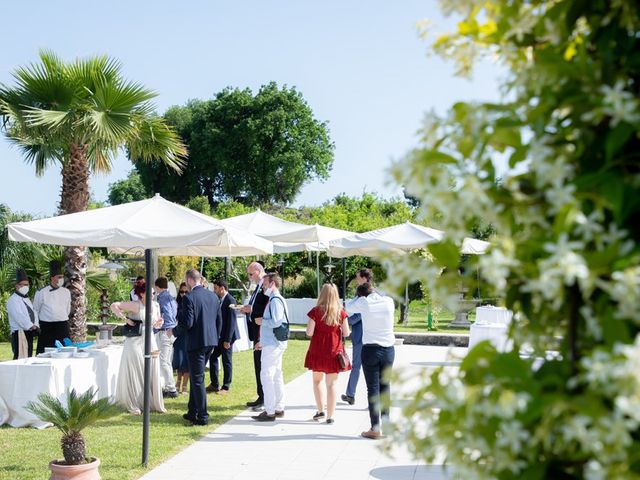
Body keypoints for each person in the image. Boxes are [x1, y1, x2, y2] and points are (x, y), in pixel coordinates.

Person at [345, 282, 395, 439]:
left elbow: (347, 307)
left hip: (371, 349)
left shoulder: (364, 302)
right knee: (385, 388)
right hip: (388, 350)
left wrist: (358, 297)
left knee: (372, 389)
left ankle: (375, 428)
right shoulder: (388, 301)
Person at [110, 279, 166, 414]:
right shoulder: (135, 305)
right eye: (150, 293)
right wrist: (126, 319)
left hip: (150, 339)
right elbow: (114, 305)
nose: (152, 295)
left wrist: (160, 322)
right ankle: (134, 403)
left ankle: (152, 402)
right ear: (141, 294)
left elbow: (157, 325)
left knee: (151, 368)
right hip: (135, 341)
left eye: (153, 293)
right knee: (136, 369)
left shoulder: (156, 305)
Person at [177, 269, 222, 426]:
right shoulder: (213, 296)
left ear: (189, 280)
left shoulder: (189, 298)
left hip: (196, 343)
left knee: (197, 380)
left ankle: (202, 415)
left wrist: (178, 319)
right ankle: (192, 411)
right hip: (210, 341)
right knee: (197, 377)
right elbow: (219, 321)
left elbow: (187, 322)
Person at [304, 283, 351, 424]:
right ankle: (330, 416)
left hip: (317, 351)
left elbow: (309, 332)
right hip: (334, 352)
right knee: (332, 384)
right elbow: (347, 333)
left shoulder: (315, 311)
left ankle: (320, 411)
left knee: (317, 381)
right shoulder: (341, 313)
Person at [252, 273, 288, 422]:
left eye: (265, 284)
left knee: (267, 375)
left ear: (272, 283)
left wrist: (262, 321)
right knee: (276, 375)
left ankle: (270, 410)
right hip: (273, 342)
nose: (263, 287)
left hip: (273, 344)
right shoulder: (276, 299)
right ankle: (278, 407)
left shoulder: (275, 300)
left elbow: (277, 321)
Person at [341, 268, 374, 405]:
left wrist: (346, 321)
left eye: (357, 277)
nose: (356, 280)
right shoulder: (363, 293)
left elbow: (359, 315)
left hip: (363, 336)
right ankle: (350, 394)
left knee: (362, 367)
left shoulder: (367, 294)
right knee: (358, 366)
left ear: (364, 278)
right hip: (361, 336)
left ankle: (356, 395)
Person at [240, 261, 269, 411]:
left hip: (262, 331)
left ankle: (265, 398)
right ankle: (261, 395)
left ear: (258, 271)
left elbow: (265, 307)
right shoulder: (258, 286)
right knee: (258, 365)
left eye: (251, 274)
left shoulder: (265, 285)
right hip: (256, 330)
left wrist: (250, 309)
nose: (250, 277)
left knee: (262, 366)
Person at [207, 279, 239, 394]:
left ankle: (226, 386)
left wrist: (227, 340)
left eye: (216, 288)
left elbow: (232, 322)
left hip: (227, 337)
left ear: (222, 288)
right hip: (219, 337)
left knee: (226, 360)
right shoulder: (219, 300)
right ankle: (214, 384)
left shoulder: (231, 300)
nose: (214, 290)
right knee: (213, 357)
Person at [33, 260, 71, 354]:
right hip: (47, 327)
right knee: (45, 353)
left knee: (64, 352)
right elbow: (35, 309)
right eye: (59, 277)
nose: (62, 279)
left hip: (62, 326)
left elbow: (67, 309)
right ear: (52, 278)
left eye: (62, 277)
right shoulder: (41, 292)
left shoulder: (66, 292)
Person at [7, 268, 39, 359]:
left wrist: (36, 325)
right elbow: (19, 317)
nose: (26, 287)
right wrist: (31, 326)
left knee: (28, 356)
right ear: (17, 286)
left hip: (29, 332)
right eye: (23, 285)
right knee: (20, 356)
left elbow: (34, 312)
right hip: (19, 333)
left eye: (27, 284)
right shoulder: (13, 300)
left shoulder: (27, 299)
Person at [154, 277, 178, 398]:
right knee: (167, 360)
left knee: (163, 361)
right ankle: (169, 385)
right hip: (171, 330)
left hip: (165, 331)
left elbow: (167, 314)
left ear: (157, 287)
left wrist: (161, 322)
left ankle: (171, 388)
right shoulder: (171, 297)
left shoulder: (163, 298)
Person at [172, 282, 190, 394]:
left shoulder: (191, 302)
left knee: (187, 361)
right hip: (179, 334)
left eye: (185, 291)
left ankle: (185, 385)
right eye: (181, 292)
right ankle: (178, 382)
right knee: (179, 359)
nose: (183, 294)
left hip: (188, 334)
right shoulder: (176, 303)